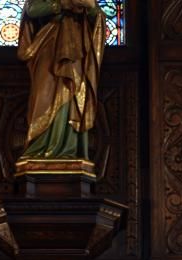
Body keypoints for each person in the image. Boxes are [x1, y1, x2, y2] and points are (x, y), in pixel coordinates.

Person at [17, 0, 106, 161]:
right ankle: (39, 146)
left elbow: (97, 16)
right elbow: (31, 9)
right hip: (47, 44)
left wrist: (90, 7)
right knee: (44, 93)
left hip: (77, 48)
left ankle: (70, 149)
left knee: (73, 94)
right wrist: (60, 5)